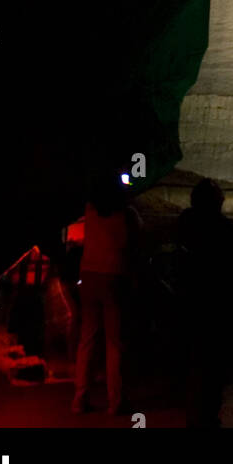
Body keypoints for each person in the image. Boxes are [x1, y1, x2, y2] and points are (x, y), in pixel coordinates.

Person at [176, 178, 233, 428]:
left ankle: (193, 412)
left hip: (192, 299)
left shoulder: (187, 221)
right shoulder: (222, 227)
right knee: (214, 361)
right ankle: (208, 414)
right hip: (219, 304)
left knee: (194, 357)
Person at [72, 171, 140, 415]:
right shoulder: (126, 213)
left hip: (89, 275)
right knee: (114, 342)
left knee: (87, 338)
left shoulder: (90, 209)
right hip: (114, 276)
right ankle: (115, 401)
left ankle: (79, 399)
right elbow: (132, 244)